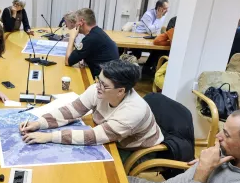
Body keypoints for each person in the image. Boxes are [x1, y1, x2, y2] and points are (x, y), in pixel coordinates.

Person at [20, 60, 163, 152]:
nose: (98, 86)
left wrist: (49, 137)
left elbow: (93, 136)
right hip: (113, 138)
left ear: (121, 91)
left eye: (104, 85)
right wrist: (39, 123)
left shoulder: (133, 111)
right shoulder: (98, 89)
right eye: (98, 80)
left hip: (136, 149)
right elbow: (71, 111)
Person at [65, 8, 119, 78]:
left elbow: (67, 61)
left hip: (104, 81)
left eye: (76, 22)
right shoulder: (97, 32)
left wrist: (72, 37)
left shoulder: (91, 39)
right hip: (110, 75)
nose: (75, 25)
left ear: (81, 22)